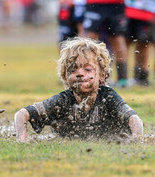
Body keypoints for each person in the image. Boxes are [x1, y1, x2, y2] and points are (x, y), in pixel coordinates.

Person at [14, 37, 144, 141]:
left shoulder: (107, 97)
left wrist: (137, 140)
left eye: (88, 69)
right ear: (65, 77)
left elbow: (134, 119)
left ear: (102, 76)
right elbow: (21, 115)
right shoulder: (63, 101)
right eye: (73, 69)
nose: (80, 73)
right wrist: (22, 140)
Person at [66, 0, 132, 88]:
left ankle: (122, 78)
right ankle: (91, 77)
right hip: (94, 1)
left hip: (116, 2)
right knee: (90, 40)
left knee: (118, 40)